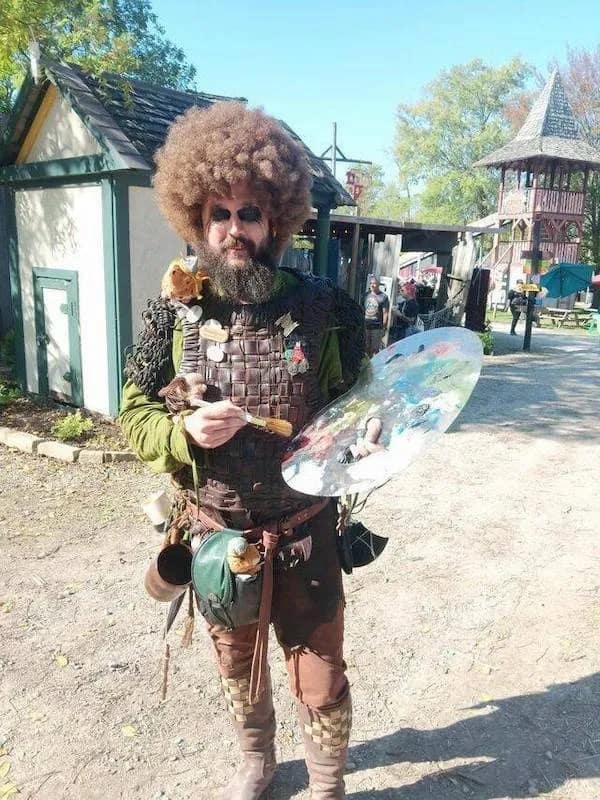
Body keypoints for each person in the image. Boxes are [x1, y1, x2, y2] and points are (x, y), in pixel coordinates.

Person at [119, 101, 365, 800]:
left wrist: (367, 433)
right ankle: (257, 759)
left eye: (249, 212)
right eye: (219, 214)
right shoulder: (172, 313)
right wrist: (182, 433)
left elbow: (359, 403)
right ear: (196, 220)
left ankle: (326, 783)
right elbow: (133, 411)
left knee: (320, 674)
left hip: (305, 529)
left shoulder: (327, 308)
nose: (234, 229)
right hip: (217, 535)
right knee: (236, 662)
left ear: (275, 219)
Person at [363, 276, 389, 356]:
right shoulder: (366, 295)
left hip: (377, 327)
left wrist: (384, 327)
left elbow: (385, 313)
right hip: (366, 325)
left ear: (378, 284)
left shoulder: (383, 297)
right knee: (365, 348)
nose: (372, 285)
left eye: (374, 283)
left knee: (375, 349)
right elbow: (362, 309)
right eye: (371, 283)